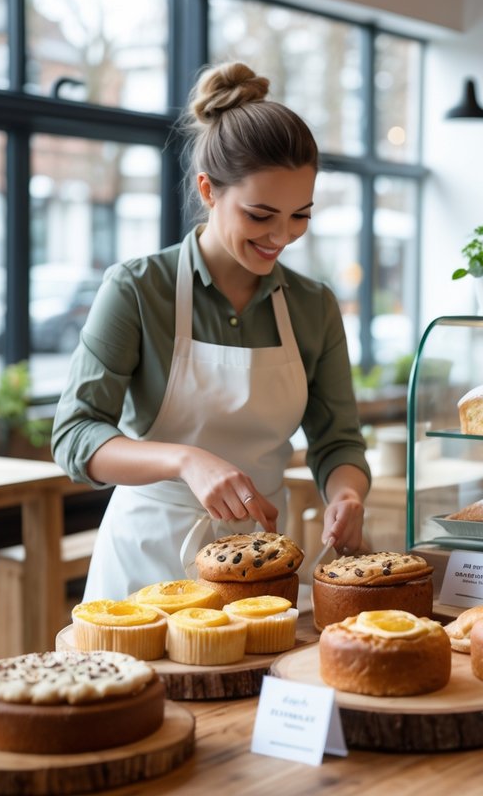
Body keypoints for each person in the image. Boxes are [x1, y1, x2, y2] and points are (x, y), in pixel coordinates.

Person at [52, 62, 371, 601]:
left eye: (300, 216)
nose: (281, 236)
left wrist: (347, 495)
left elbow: (337, 440)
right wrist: (184, 460)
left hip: (260, 562)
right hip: (147, 561)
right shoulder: (137, 288)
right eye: (260, 214)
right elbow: (75, 435)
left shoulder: (314, 306)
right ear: (208, 189)